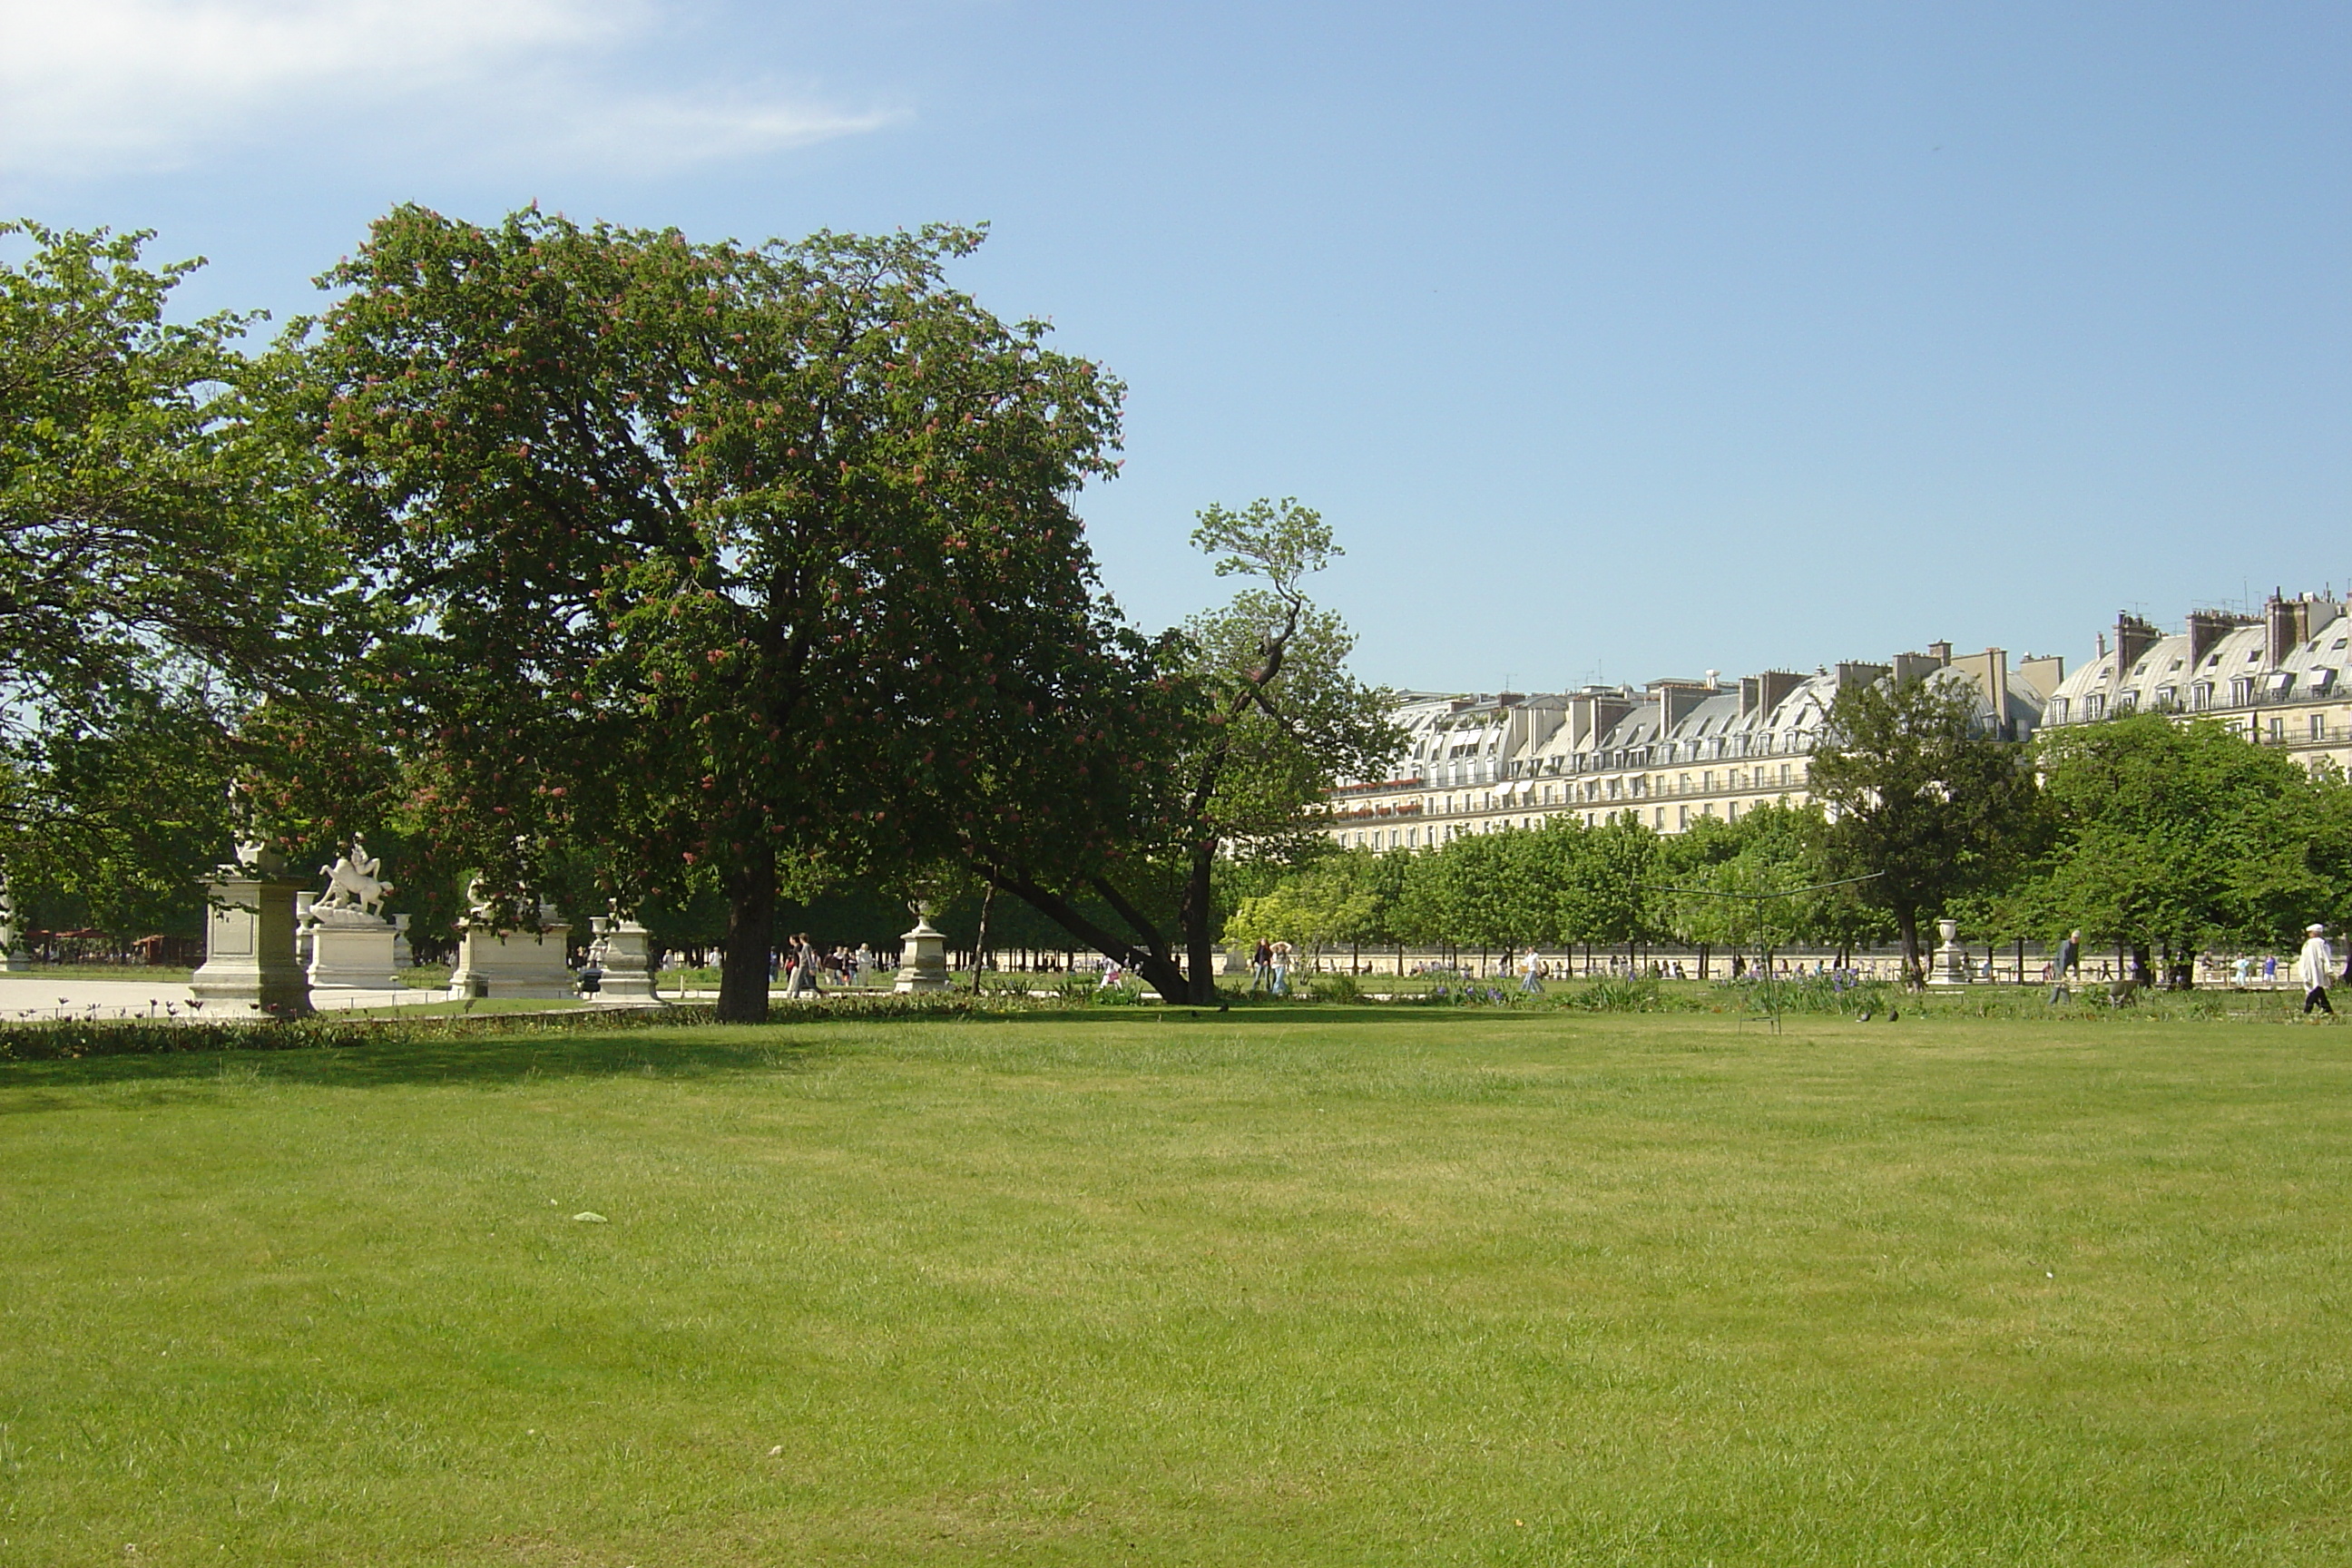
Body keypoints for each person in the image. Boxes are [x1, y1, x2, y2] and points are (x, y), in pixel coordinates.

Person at [2296, 923, 2335, 1017]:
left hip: (2315, 968)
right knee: (2317, 988)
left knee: (2315, 988)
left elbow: (2324, 956)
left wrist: (2329, 969)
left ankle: (2307, 1009)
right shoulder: (2312, 943)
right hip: (2311, 968)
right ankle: (2326, 1008)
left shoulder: (2317, 943)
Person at [2048, 928, 2081, 1004]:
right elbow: (2062, 959)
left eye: (2077, 938)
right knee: (2061, 983)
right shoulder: (2066, 945)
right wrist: (2062, 975)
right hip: (2059, 965)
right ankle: (2064, 1002)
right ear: (2071, 937)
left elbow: (2075, 957)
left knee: (2059, 985)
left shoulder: (2076, 945)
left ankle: (2054, 1002)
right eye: (2074, 938)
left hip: (2065, 965)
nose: (2075, 940)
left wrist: (2076, 968)